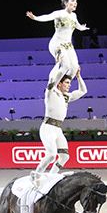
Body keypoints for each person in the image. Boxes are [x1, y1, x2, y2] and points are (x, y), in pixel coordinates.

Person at [30, 59, 87, 187]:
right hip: (48, 127)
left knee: (64, 156)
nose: (69, 85)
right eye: (67, 83)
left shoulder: (66, 97)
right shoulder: (50, 92)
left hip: (58, 130)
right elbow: (52, 77)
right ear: (59, 84)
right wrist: (58, 64)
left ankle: (51, 176)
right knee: (51, 155)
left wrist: (78, 76)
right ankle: (36, 175)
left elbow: (83, 91)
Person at [26, 0, 89, 84]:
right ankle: (53, 85)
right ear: (66, 3)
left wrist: (83, 28)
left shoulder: (74, 15)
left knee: (74, 68)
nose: (75, 3)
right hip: (57, 43)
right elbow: (47, 17)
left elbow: (77, 25)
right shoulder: (59, 13)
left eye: (76, 1)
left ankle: (63, 87)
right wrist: (35, 18)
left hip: (68, 45)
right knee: (66, 65)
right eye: (73, 1)